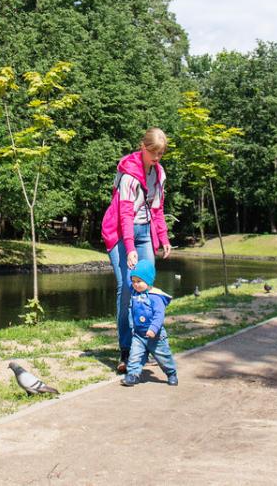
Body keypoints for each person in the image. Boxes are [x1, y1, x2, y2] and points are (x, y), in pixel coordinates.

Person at [102, 128, 172, 374]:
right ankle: (126, 349)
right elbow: (124, 214)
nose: (156, 158)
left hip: (145, 232)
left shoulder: (159, 173)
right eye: (153, 153)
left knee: (147, 289)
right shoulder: (128, 175)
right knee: (126, 289)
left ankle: (144, 344)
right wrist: (130, 249)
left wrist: (163, 237)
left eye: (160, 154)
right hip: (121, 233)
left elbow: (157, 209)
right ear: (143, 147)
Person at [121, 259, 177, 387]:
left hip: (156, 336)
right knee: (135, 356)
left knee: (164, 357)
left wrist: (153, 329)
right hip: (139, 335)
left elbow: (159, 315)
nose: (135, 284)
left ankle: (171, 373)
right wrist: (130, 267)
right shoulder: (135, 292)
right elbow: (127, 280)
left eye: (139, 281)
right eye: (134, 281)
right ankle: (133, 375)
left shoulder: (156, 297)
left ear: (148, 280)